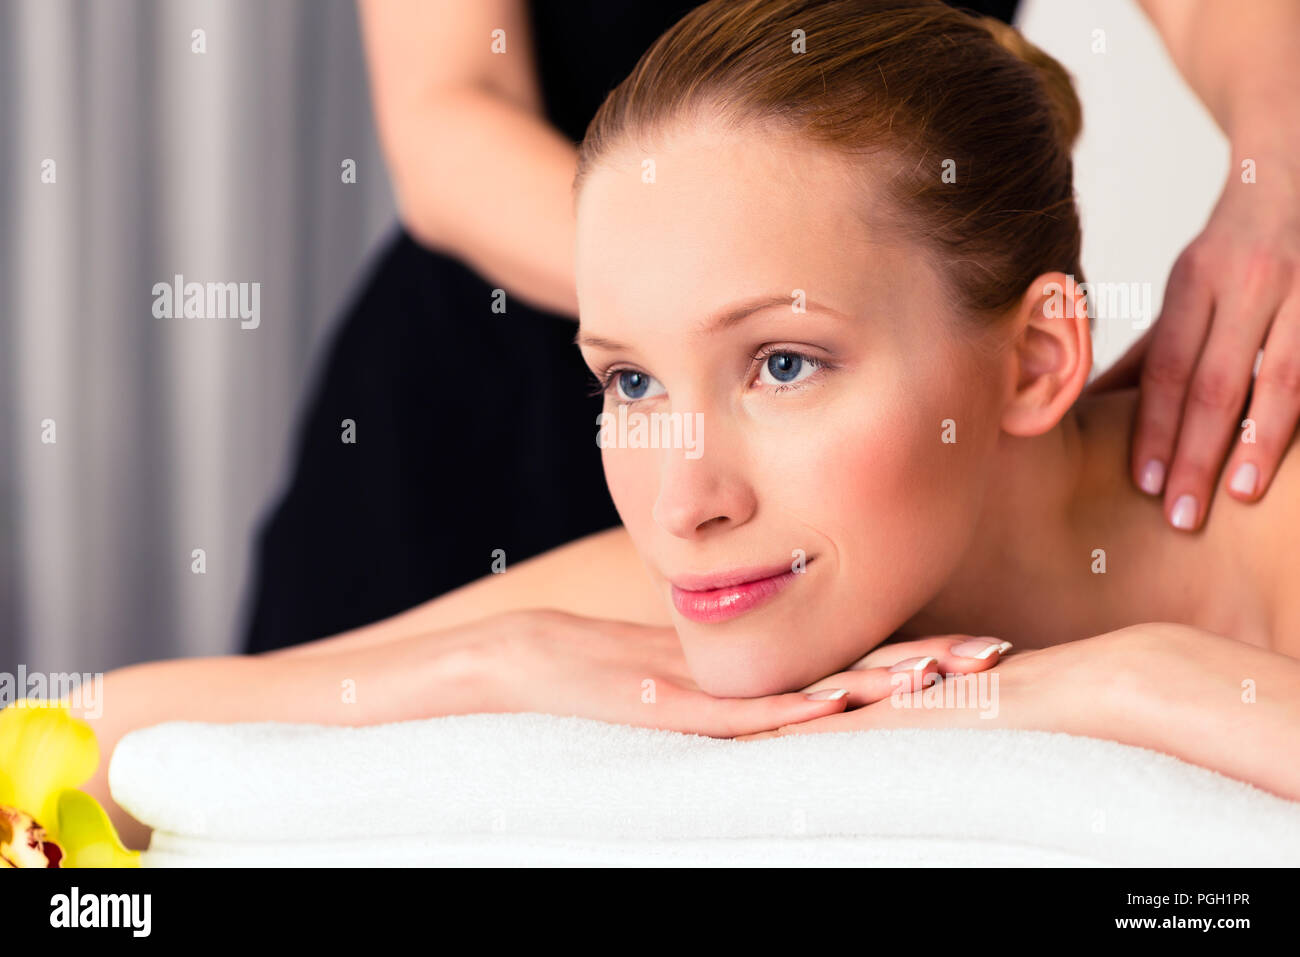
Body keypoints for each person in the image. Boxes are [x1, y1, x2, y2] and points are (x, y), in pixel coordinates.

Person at [61, 0, 1300, 854]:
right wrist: (481, 663)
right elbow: (53, 755)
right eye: (628, 385)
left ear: (1035, 360)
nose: (681, 503)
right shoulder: (721, 581)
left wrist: (1133, 684)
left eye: (782, 363)